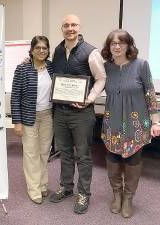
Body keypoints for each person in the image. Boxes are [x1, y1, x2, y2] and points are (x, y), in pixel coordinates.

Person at [49, 14, 106, 214]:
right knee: (64, 152)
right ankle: (66, 187)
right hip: (60, 112)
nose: (70, 28)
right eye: (66, 25)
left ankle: (84, 194)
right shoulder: (57, 51)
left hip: (82, 114)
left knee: (83, 155)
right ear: (62, 28)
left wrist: (89, 99)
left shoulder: (91, 52)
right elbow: (50, 72)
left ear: (79, 27)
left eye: (73, 25)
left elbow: (101, 78)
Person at [101, 29, 160, 218]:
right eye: (113, 43)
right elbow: (90, 83)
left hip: (136, 125)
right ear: (109, 47)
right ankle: (116, 195)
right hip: (112, 123)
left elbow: (150, 93)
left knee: (133, 159)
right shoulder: (106, 67)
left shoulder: (141, 65)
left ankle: (128, 198)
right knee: (112, 159)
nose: (117, 46)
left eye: (121, 42)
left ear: (129, 45)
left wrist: (156, 121)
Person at [11, 35, 54, 204]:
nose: (41, 51)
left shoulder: (51, 67)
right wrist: (17, 122)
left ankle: (43, 184)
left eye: (44, 48)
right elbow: (15, 97)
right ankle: (34, 188)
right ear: (32, 50)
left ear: (48, 50)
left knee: (44, 152)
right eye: (38, 48)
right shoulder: (22, 68)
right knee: (31, 153)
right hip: (29, 117)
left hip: (48, 115)